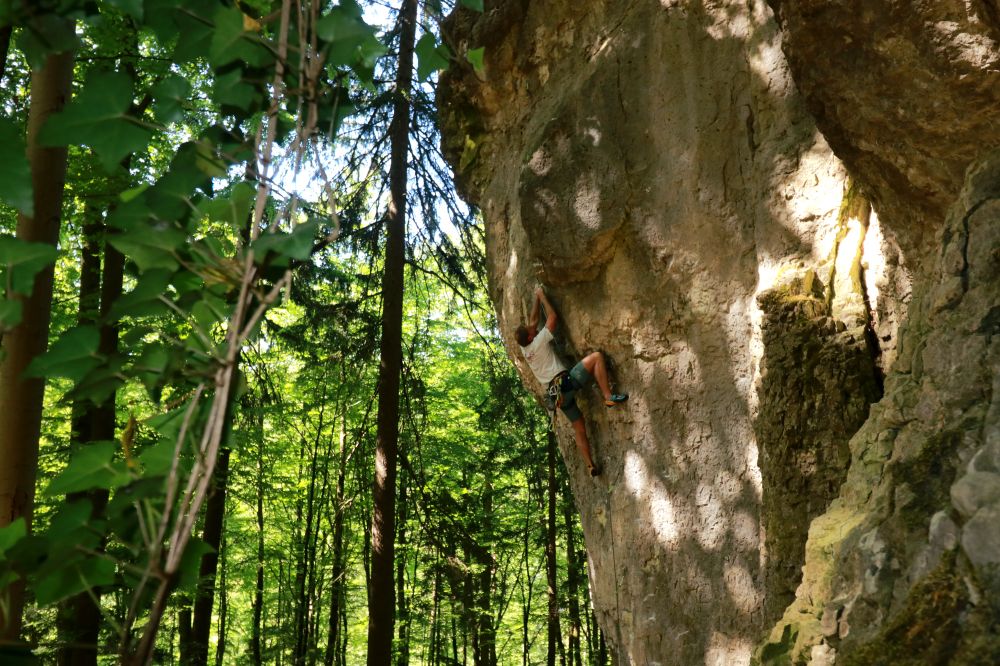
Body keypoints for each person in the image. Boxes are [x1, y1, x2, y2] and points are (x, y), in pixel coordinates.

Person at [515, 286, 628, 476]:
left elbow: (533, 322)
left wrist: (535, 297)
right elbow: (552, 318)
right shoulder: (539, 341)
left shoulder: (526, 349)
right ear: (530, 336)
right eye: (530, 330)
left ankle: (590, 465)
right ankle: (608, 396)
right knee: (597, 357)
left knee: (579, 426)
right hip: (565, 383)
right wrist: (543, 297)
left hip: (558, 397)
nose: (532, 326)